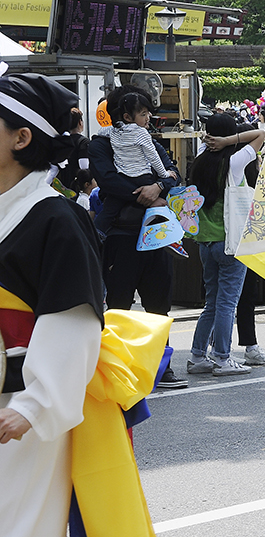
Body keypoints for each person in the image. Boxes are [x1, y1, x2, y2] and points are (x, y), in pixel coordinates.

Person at [0, 69, 111, 535]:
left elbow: (73, 321)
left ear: (21, 137)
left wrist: (33, 406)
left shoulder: (56, 219)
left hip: (15, 406)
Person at [89, 86, 185, 389]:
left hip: (156, 234)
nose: (148, 118)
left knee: (160, 305)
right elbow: (107, 180)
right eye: (142, 112)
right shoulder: (101, 143)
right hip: (121, 235)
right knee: (119, 306)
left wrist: (158, 188)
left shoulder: (147, 139)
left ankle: (161, 367)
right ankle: (120, 370)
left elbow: (173, 174)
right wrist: (144, 193)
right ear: (123, 115)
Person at [186, 113, 265, 378]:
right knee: (226, 304)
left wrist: (215, 141)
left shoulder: (199, 162)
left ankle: (198, 356)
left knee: (212, 302)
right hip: (231, 242)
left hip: (205, 243)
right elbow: (260, 134)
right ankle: (222, 358)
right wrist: (229, 141)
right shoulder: (234, 162)